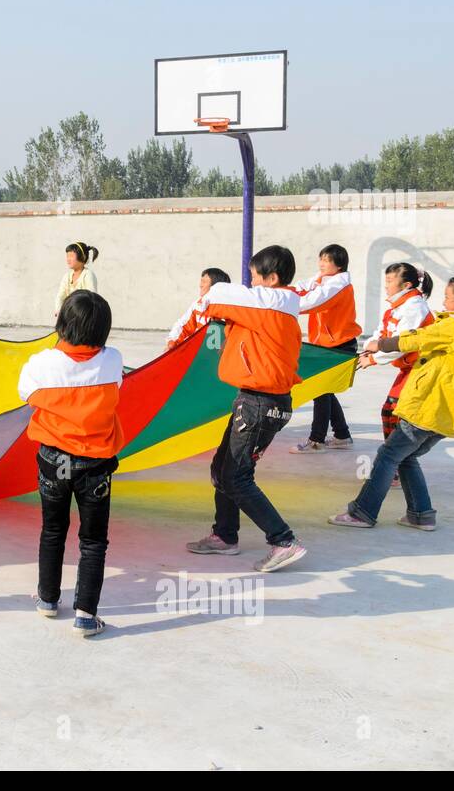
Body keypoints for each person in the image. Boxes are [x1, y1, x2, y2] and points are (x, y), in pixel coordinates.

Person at [331, 275, 454, 532]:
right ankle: (421, 515)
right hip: (448, 410)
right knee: (406, 457)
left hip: (429, 405)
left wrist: (379, 344)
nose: (444, 302)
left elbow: (417, 338)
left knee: (388, 455)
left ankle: (363, 512)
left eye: (448, 297)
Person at [186, 245, 307, 572]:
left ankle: (283, 540)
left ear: (273, 279)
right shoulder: (270, 310)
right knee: (222, 467)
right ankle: (225, 535)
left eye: (255, 278)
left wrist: (207, 298)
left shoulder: (272, 305)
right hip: (255, 402)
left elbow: (219, 295)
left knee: (237, 477)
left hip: (260, 405)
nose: (251, 285)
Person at [17, 289, 125, 637]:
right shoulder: (113, 361)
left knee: (53, 530)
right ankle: (85, 615)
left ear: (61, 324)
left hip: (53, 460)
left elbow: (25, 393)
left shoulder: (41, 365)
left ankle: (48, 599)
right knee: (93, 541)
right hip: (95, 465)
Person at [358, 263, 435, 485]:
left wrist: (373, 358)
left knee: (395, 414)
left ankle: (394, 466)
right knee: (390, 413)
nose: (387, 286)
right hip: (408, 369)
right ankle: (395, 465)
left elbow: (402, 344)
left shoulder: (414, 308)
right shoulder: (398, 306)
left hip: (419, 369)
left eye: (391, 281)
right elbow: (383, 334)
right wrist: (367, 348)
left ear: (407, 284)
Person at [290, 243, 362, 453]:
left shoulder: (337, 285)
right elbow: (303, 286)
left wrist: (282, 304)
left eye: (327, 260)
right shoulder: (323, 279)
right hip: (328, 343)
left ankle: (316, 441)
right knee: (325, 391)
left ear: (338, 265)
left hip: (339, 344)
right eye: (321, 259)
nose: (322, 263)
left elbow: (312, 302)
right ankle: (342, 435)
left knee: (320, 390)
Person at [165, 267, 231, 349]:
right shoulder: (198, 305)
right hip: (201, 353)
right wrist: (173, 341)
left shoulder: (230, 309)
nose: (200, 285)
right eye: (201, 281)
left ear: (215, 286)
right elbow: (183, 325)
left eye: (204, 282)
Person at [54, 242, 99, 316]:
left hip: (84, 315)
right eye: (67, 256)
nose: (68, 259)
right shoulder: (67, 276)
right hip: (68, 315)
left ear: (83, 257)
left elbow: (91, 298)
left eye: (71, 256)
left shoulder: (88, 275)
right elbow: (60, 296)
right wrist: (59, 310)